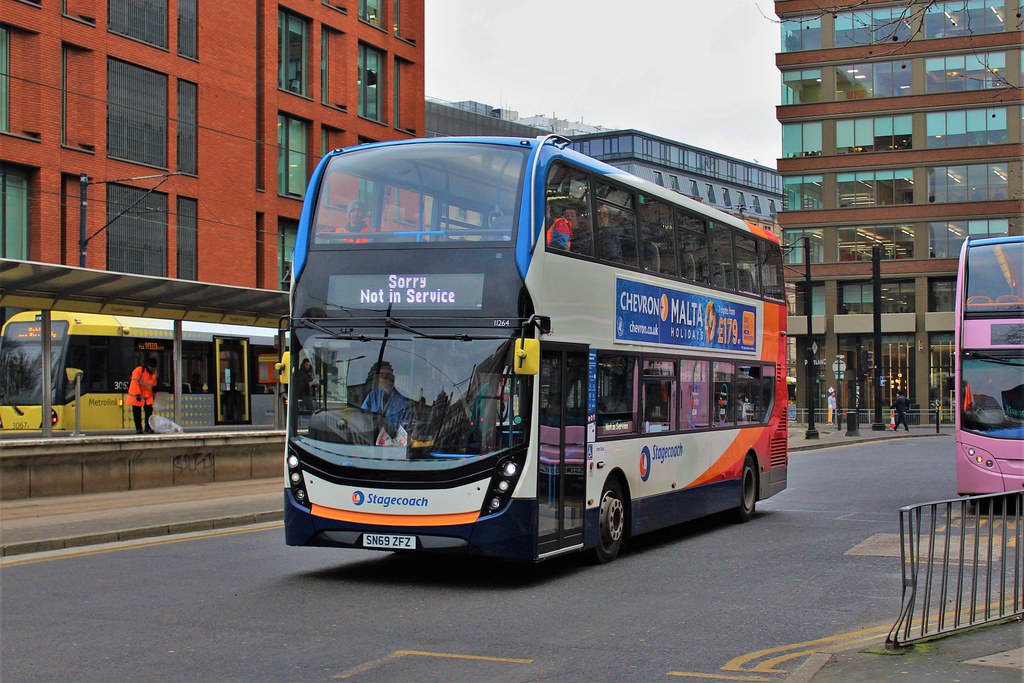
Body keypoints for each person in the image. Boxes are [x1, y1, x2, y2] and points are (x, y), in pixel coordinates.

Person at [361, 361, 411, 432]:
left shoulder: (405, 399)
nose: (385, 377)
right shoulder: (371, 397)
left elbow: (409, 425)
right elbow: (362, 418)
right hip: (371, 439)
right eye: (382, 374)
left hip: (397, 440)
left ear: (395, 377)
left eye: (388, 374)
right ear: (378, 378)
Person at [127, 357, 159, 434]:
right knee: (137, 413)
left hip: (147, 397)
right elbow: (134, 382)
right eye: (151, 367)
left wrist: (154, 397)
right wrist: (137, 394)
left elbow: (153, 387)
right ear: (147, 366)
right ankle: (139, 428)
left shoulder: (153, 375)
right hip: (136, 395)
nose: (153, 369)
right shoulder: (139, 370)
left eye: (154, 367)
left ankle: (147, 427)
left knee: (149, 412)